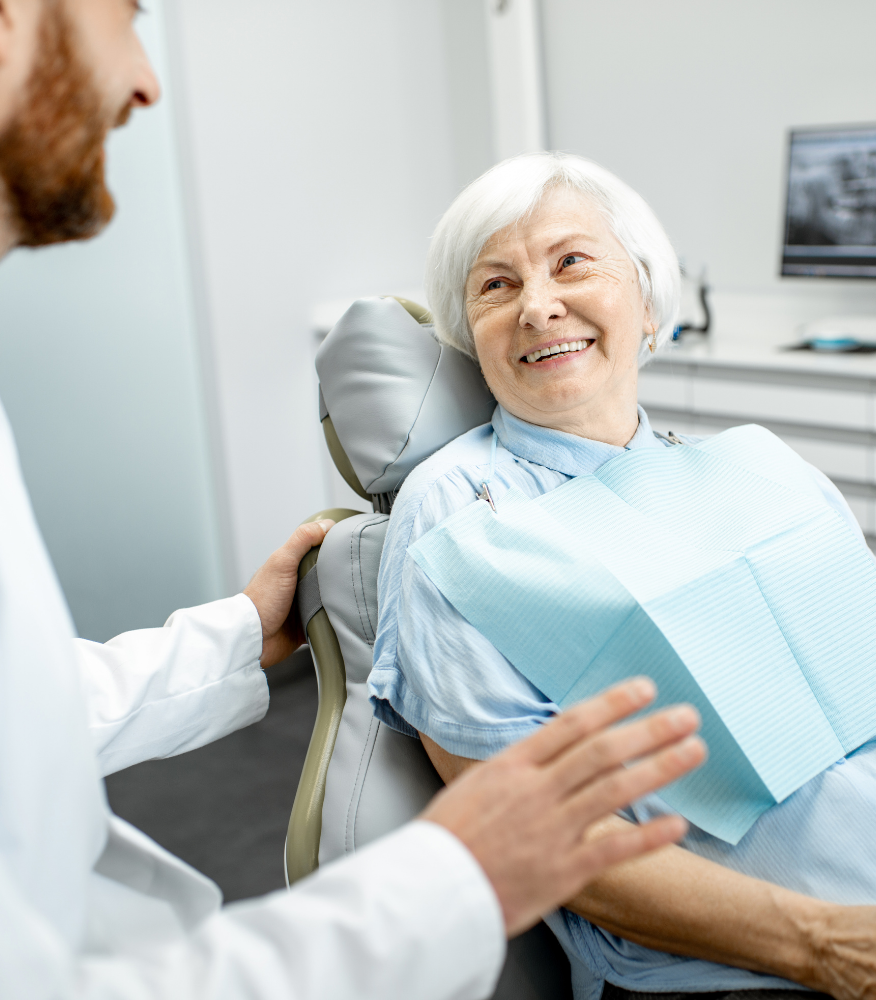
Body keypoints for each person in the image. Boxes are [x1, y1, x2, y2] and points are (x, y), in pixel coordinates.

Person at [0, 2, 709, 998]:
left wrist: (233, 636)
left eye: (575, 261)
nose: (145, 79)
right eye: (127, 16)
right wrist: (451, 873)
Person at [369, 150, 876, 1000]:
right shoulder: (464, 509)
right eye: (495, 287)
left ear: (647, 300)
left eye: (571, 262)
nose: (537, 306)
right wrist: (826, 944)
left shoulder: (758, 467)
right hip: (770, 957)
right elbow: (533, 833)